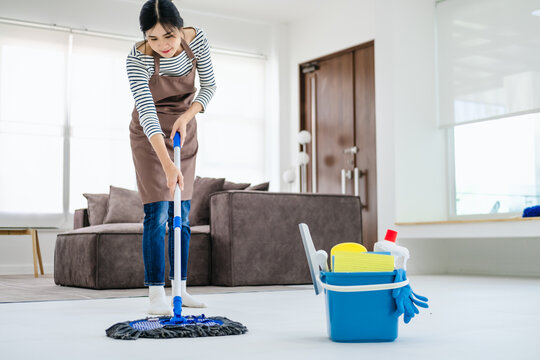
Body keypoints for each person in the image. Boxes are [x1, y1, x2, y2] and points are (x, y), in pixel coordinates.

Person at [126, 0, 216, 315]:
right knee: (158, 214)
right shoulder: (136, 60)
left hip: (183, 129)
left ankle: (181, 287)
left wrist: (188, 115)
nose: (162, 45)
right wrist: (166, 164)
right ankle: (155, 295)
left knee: (184, 214)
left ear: (180, 29)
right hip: (149, 138)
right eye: (153, 39)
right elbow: (148, 113)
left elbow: (210, 87)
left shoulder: (197, 40)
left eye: (168, 36)